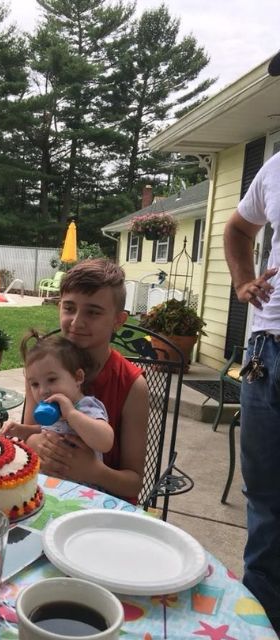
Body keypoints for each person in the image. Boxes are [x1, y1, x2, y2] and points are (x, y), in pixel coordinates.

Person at [5, 258, 149, 502]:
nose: (76, 321)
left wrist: (94, 471)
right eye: (69, 308)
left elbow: (133, 486)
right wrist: (34, 441)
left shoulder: (131, 384)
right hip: (48, 496)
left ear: (118, 320)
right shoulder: (42, 374)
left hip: (102, 507)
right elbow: (32, 435)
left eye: (93, 312)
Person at [223, 51, 280, 634]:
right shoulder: (275, 168)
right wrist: (243, 281)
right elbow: (238, 229)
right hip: (266, 353)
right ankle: (260, 623)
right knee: (264, 499)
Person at [2, 330, 114, 458]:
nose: (43, 391)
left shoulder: (86, 406)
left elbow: (106, 442)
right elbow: (46, 430)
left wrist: (71, 414)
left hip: (80, 471)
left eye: (52, 380)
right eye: (35, 384)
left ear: (78, 377)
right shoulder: (53, 411)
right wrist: (22, 430)